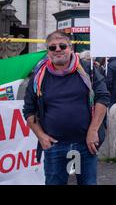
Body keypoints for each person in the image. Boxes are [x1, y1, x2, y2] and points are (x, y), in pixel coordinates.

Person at [22, 31, 109, 185]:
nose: (57, 49)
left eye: (62, 46)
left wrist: (93, 130)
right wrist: (41, 136)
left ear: (70, 48)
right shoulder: (38, 76)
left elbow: (102, 98)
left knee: (87, 182)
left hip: (85, 143)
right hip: (55, 145)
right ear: (48, 51)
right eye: (52, 47)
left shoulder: (87, 70)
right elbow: (29, 110)